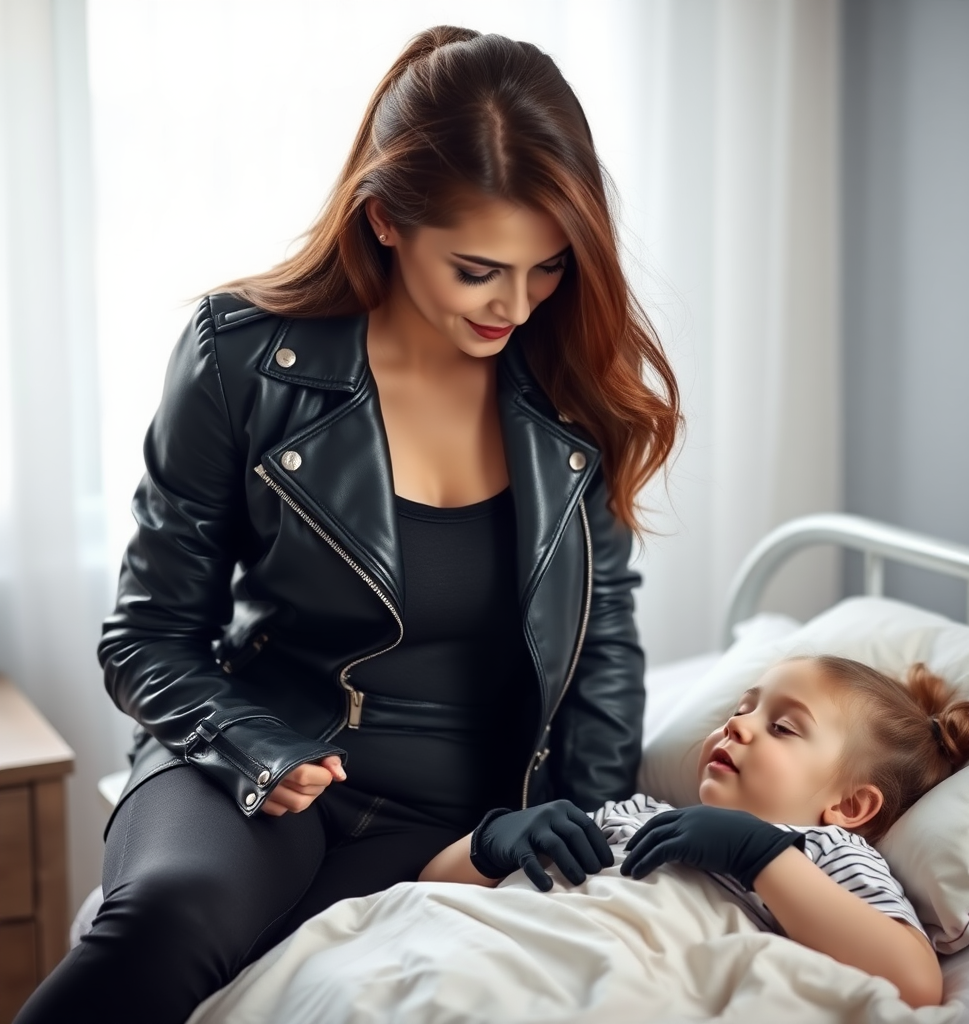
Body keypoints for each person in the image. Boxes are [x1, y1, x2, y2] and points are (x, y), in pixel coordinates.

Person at [13, 25, 681, 1024]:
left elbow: (603, 647)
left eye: (546, 268)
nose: (517, 303)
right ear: (383, 221)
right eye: (477, 269)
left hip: (465, 809)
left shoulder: (573, 389)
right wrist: (251, 746)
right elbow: (146, 635)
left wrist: (575, 826)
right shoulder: (239, 357)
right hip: (259, 763)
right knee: (172, 913)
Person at [419, 655, 969, 1009]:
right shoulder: (638, 811)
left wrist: (762, 856)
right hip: (497, 951)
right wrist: (492, 844)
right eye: (742, 709)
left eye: (783, 727)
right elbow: (432, 886)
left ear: (848, 804)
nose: (737, 725)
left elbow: (914, 982)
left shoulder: (821, 852)